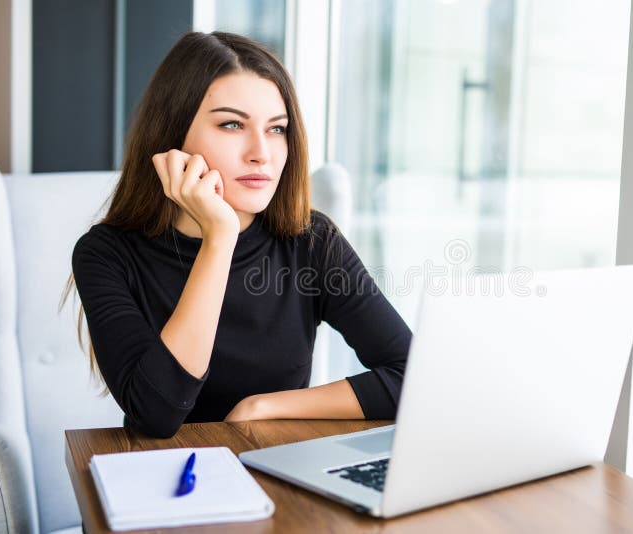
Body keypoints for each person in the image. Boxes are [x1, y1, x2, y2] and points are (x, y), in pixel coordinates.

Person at [64, 31, 412, 439]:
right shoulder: (106, 254)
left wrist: (264, 406)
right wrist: (220, 237)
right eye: (232, 124)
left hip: (277, 471)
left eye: (277, 129)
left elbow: (413, 377)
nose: (261, 153)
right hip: (162, 479)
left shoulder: (311, 240)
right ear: (172, 136)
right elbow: (156, 414)